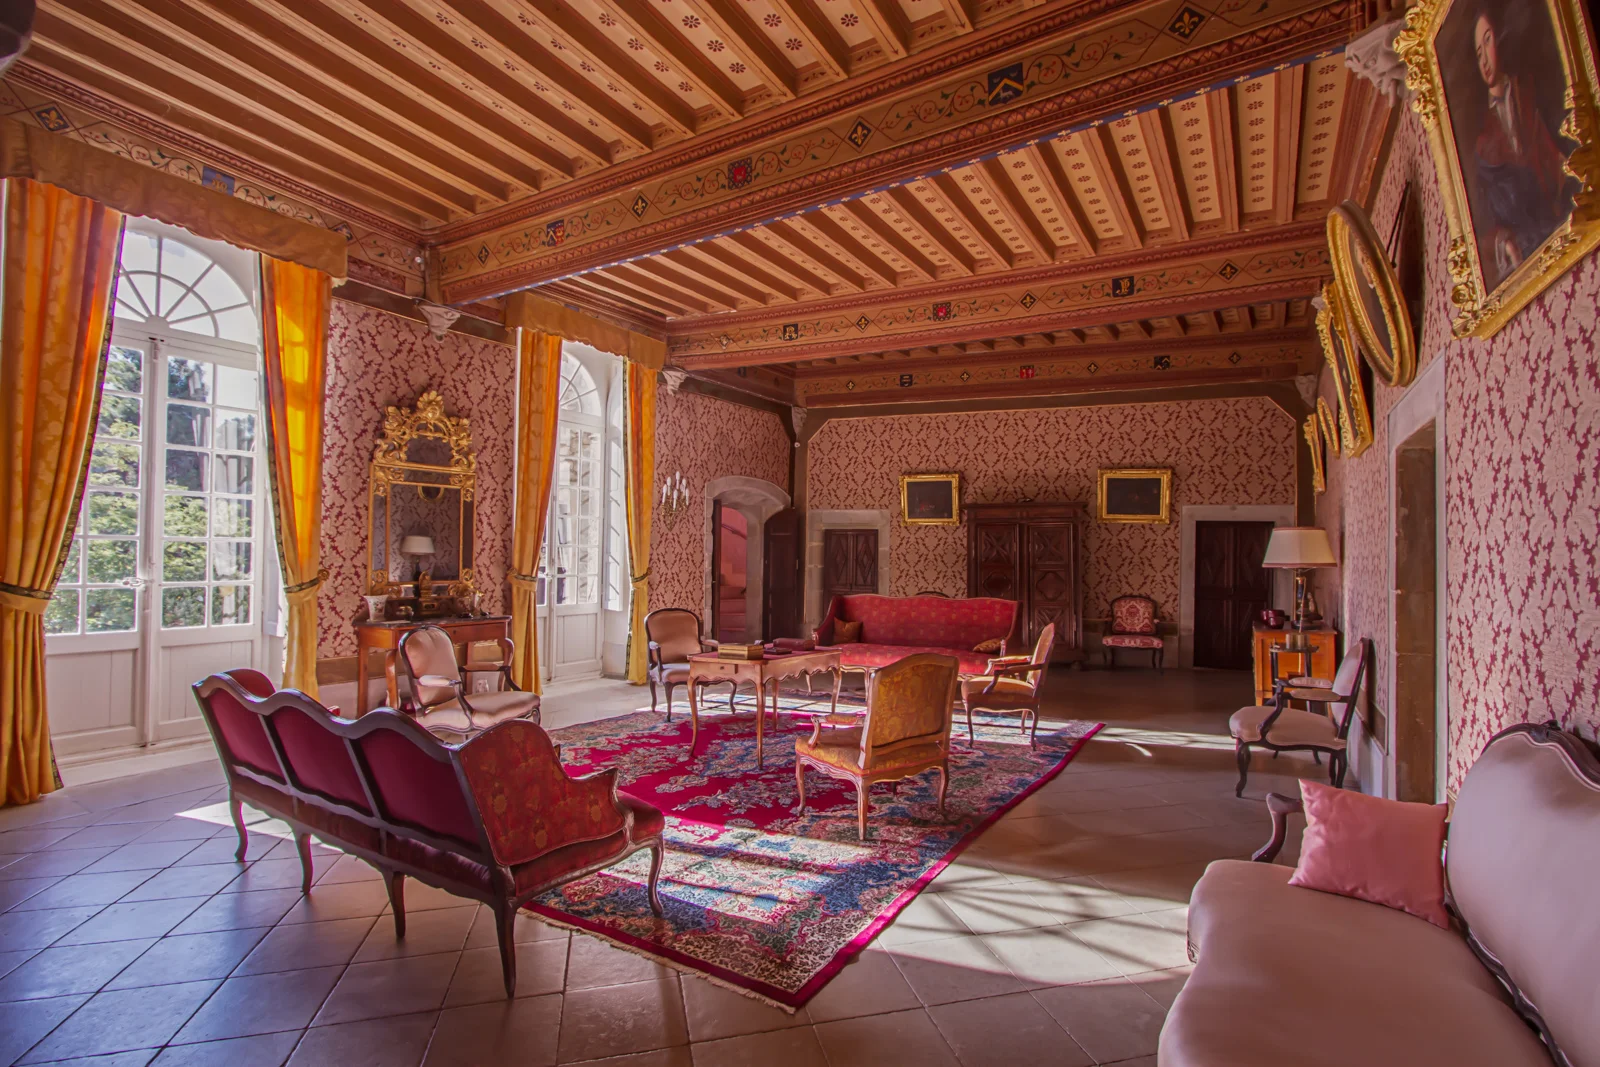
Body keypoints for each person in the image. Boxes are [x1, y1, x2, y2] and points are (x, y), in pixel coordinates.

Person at [1470, 6, 1575, 286]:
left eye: (1488, 40)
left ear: (1501, 39)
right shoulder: (1482, 143)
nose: (1484, 60)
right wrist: (1505, 242)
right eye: (1477, 53)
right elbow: (1487, 221)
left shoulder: (1532, 90)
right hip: (1530, 253)